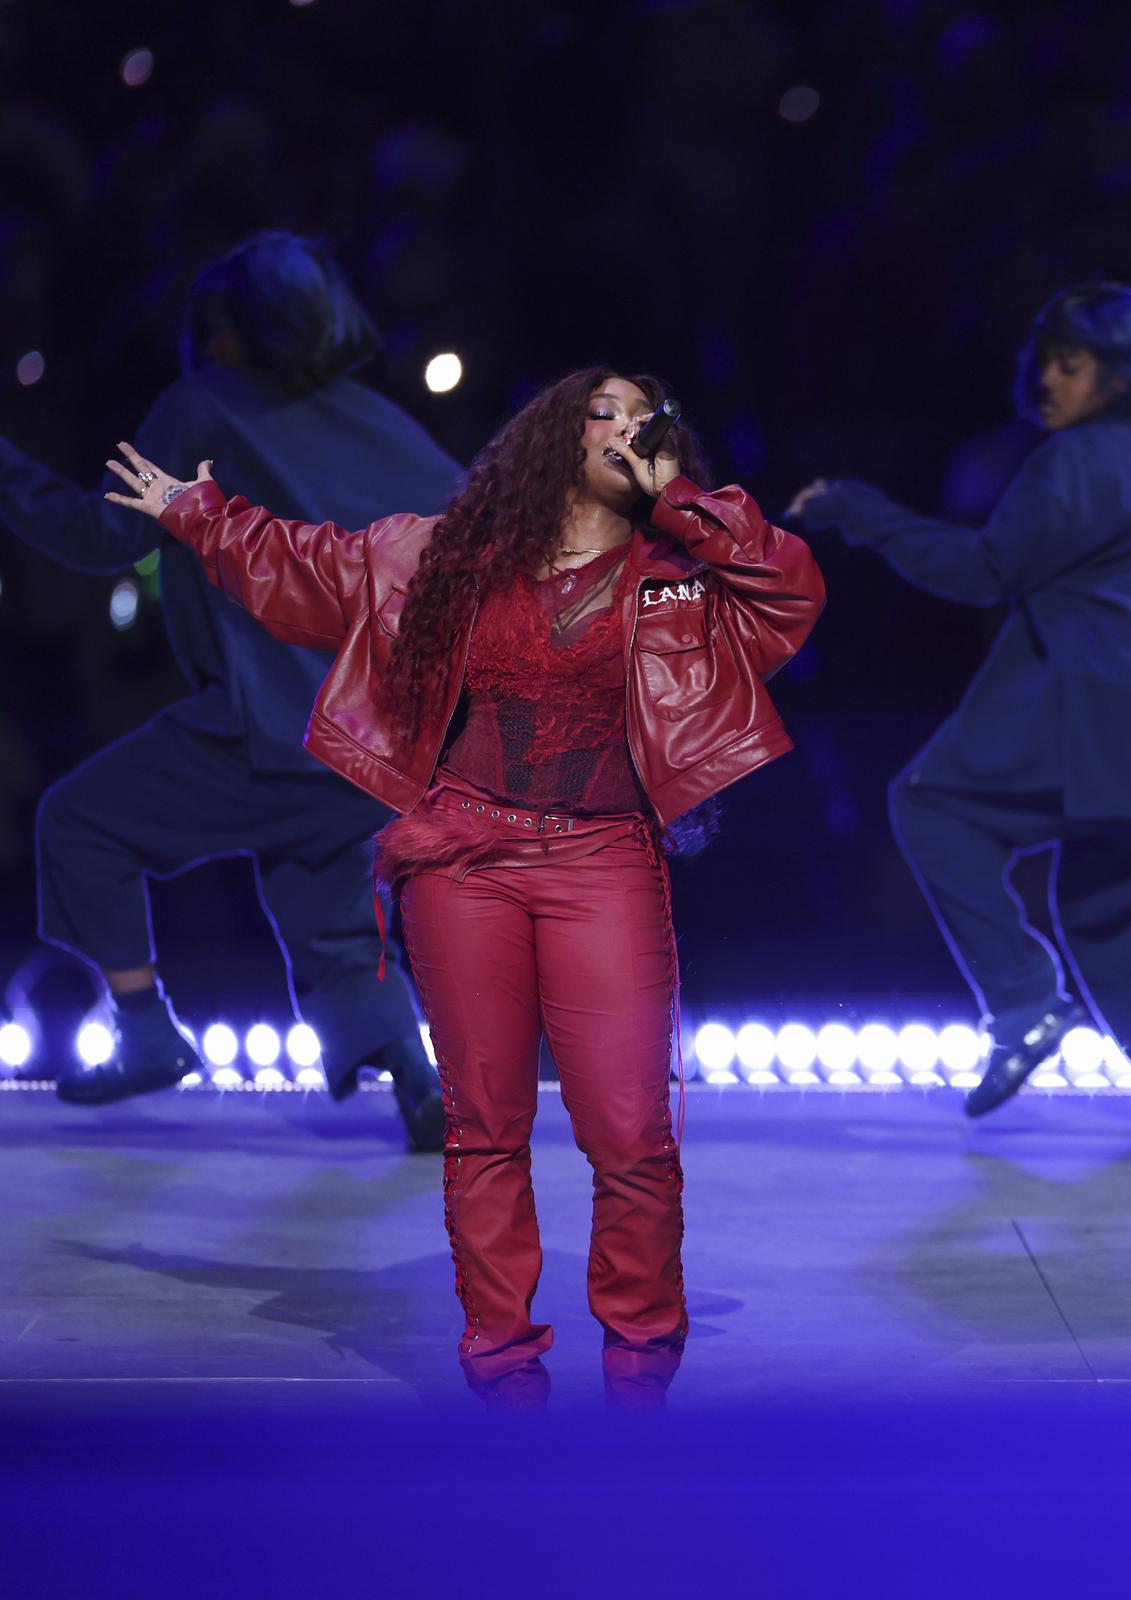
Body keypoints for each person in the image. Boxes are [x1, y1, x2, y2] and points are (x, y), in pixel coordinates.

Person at [100, 367, 826, 1410]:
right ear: (551, 440)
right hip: (461, 858)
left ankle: (639, 1381)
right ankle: (503, 1373)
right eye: (603, 415)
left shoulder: (677, 574)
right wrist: (199, 513)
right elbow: (313, 568)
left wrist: (683, 502)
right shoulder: (441, 558)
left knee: (629, 1131)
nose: (625, 430)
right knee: (484, 1125)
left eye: (644, 419)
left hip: (603, 858)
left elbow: (790, 587)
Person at [791, 281, 1131, 1142]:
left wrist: (855, 511)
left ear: (1126, 369)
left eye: (1071, 363)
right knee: (1114, 894)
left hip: (1124, 720)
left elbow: (982, 571)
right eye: (1043, 363)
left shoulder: (1082, 462)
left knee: (934, 807)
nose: (1048, 381)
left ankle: (1022, 1003)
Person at [0, 233, 458, 1147]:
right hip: (380, 744)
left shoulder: (200, 408)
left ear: (235, 334)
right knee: (333, 921)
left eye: (208, 331)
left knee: (81, 825)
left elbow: (103, 540)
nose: (202, 348)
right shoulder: (381, 421)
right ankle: (419, 1085)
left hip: (272, 726)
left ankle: (144, 1032)